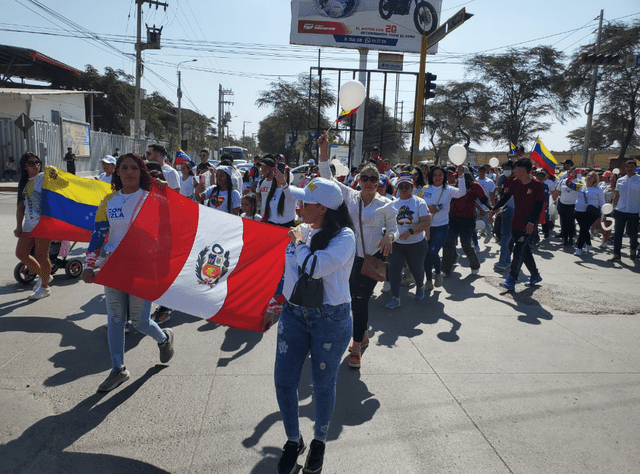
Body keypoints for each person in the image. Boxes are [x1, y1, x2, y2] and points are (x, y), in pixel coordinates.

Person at [273, 176, 355, 474]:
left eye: (305, 202)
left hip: (329, 319)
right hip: (294, 314)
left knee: (322, 385)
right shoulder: (302, 230)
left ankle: (319, 441)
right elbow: (287, 272)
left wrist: (297, 242)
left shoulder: (344, 236)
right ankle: (294, 440)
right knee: (284, 381)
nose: (299, 205)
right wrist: (274, 302)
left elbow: (316, 267)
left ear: (321, 208)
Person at [81, 153, 175, 392]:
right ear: (117, 172)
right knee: (115, 319)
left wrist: (165, 192)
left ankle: (164, 338)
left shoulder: (151, 198)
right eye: (124, 168)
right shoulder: (108, 201)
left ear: (141, 171)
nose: (129, 172)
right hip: (114, 268)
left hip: (143, 268)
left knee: (140, 321)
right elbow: (98, 235)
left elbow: (171, 220)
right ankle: (118, 369)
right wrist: (89, 265)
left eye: (135, 167)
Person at [317, 133, 397, 368]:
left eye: (374, 178)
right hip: (348, 259)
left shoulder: (387, 204)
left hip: (372, 259)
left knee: (360, 301)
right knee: (350, 299)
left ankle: (356, 347)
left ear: (379, 181)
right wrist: (324, 151)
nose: (369, 182)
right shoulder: (350, 197)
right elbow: (327, 179)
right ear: (359, 180)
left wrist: (390, 236)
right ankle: (362, 335)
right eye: (365, 178)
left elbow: (395, 227)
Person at [489, 159, 545, 291]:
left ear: (524, 170)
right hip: (516, 221)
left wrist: (532, 222)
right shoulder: (515, 182)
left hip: (528, 224)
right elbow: (505, 197)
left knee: (518, 250)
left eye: (516, 169)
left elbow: (538, 206)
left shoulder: (537, 185)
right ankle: (535, 275)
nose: (513, 171)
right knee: (524, 250)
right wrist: (493, 210)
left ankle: (512, 279)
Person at [384, 171, 431, 309]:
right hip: (397, 244)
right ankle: (395, 297)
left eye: (407, 186)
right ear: (397, 189)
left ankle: (420, 286)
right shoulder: (393, 203)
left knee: (416, 268)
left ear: (412, 188)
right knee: (394, 269)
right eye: (401, 186)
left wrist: (411, 231)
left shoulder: (419, 202)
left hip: (416, 243)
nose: (404, 189)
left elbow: (426, 222)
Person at [420, 165, 466, 291]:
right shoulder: (425, 189)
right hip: (427, 226)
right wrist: (429, 209)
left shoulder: (448, 189)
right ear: (431, 176)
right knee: (426, 254)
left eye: (440, 174)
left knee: (432, 252)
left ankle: (438, 272)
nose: (438, 177)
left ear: (444, 177)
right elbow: (418, 204)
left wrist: (461, 176)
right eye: (435, 175)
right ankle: (429, 280)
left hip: (441, 227)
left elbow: (461, 193)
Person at [15, 152, 52, 300]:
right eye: (31, 163)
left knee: (42, 255)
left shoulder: (44, 178)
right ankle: (45, 276)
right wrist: (18, 226)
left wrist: (53, 173)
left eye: (37, 161)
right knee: (21, 253)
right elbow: (20, 207)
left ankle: (45, 287)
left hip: (44, 224)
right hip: (28, 225)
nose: (36, 164)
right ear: (25, 166)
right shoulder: (24, 183)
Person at [441, 170, 490, 276]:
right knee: (448, 243)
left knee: (466, 245)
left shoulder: (475, 186)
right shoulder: (456, 185)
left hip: (468, 219)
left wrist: (491, 208)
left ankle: (475, 265)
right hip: (453, 218)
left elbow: (483, 199)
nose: (457, 178)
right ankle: (445, 269)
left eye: (459, 176)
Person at [258, 156, 305, 227]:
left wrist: (283, 183)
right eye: (277, 173)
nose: (280, 176)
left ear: (288, 176)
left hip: (286, 227)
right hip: (272, 225)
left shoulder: (292, 189)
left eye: (283, 174)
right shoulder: (273, 190)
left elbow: (289, 194)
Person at [609, 160, 640, 262]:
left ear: (635, 168)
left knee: (632, 233)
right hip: (620, 210)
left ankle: (633, 248)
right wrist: (613, 207)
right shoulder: (621, 180)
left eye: (632, 166)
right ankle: (616, 254)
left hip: (634, 211)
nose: (629, 168)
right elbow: (617, 195)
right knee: (618, 233)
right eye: (628, 167)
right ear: (625, 168)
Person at [574, 171, 605, 256]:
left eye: (592, 177)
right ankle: (588, 243)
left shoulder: (598, 190)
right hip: (578, 211)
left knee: (583, 229)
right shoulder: (581, 187)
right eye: (588, 176)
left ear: (595, 180)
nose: (589, 178)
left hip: (591, 212)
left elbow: (602, 203)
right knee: (584, 229)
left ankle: (579, 248)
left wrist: (604, 214)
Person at [493, 161, 516, 271]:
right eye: (505, 168)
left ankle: (505, 260)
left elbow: (511, 198)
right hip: (503, 206)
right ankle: (506, 258)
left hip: (511, 209)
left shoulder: (517, 180)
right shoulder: (503, 178)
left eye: (509, 168)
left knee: (507, 237)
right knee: (498, 232)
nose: (507, 170)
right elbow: (503, 194)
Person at [552, 168, 581, 247]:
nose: (570, 174)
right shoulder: (562, 181)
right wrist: (553, 199)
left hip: (572, 205)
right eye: (569, 172)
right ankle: (565, 239)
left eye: (572, 173)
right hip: (562, 204)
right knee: (563, 222)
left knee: (570, 222)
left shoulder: (579, 182)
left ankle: (571, 238)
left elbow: (580, 192)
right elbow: (558, 192)